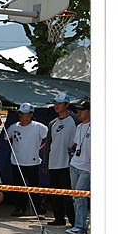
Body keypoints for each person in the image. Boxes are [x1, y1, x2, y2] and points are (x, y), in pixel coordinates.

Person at [5, 102, 48, 218]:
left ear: (30, 114)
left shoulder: (38, 127)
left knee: (34, 186)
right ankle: (20, 208)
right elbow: (6, 139)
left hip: (32, 162)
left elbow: (49, 138)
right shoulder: (13, 127)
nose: (21, 115)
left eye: (24, 113)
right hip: (17, 161)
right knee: (19, 187)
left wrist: (40, 149)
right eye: (20, 113)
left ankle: (40, 210)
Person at [43, 93, 77, 226]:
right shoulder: (53, 123)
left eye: (59, 103)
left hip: (68, 163)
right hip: (54, 163)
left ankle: (74, 221)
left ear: (67, 105)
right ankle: (59, 218)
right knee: (55, 193)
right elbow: (49, 144)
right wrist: (46, 163)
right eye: (55, 103)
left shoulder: (75, 119)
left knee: (69, 194)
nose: (56, 106)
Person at [66, 100, 91, 234]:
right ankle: (78, 225)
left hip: (87, 168)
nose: (78, 112)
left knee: (80, 197)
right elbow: (76, 143)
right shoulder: (80, 126)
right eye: (78, 110)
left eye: (82, 110)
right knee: (76, 197)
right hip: (75, 165)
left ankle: (81, 227)